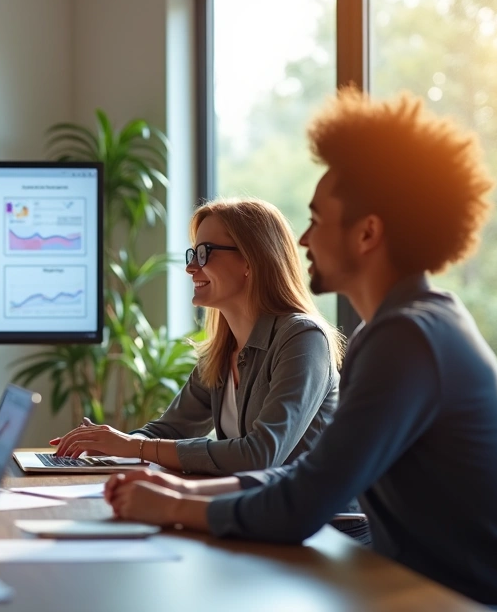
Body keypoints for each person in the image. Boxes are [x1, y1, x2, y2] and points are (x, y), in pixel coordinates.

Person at [105, 89, 497, 608]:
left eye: (317, 220)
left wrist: (172, 509)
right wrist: (181, 493)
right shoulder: (391, 330)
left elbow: (303, 502)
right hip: (419, 588)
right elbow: (305, 476)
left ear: (367, 233)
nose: (302, 240)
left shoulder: (408, 339)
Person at [51, 198, 342, 476]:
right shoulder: (222, 350)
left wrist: (135, 447)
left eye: (205, 253)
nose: (191, 268)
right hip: (254, 516)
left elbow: (259, 455)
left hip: (322, 526)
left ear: (250, 262)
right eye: (193, 254)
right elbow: (168, 431)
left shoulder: (303, 338)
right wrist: (109, 444)